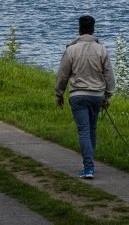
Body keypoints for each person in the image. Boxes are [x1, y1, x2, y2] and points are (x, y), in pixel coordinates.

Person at [54, 14, 116, 179]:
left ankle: (88, 167)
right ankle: (90, 163)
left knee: (83, 131)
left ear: (79, 29)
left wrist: (59, 94)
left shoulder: (71, 50)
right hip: (97, 96)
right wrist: (108, 96)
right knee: (92, 129)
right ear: (93, 29)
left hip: (78, 95)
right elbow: (109, 75)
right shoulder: (101, 49)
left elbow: (62, 75)